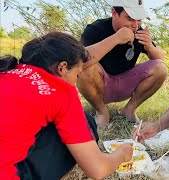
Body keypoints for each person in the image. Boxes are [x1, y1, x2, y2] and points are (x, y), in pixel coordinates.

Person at [0, 32, 133, 180]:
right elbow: (98, 169)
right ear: (62, 67)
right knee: (87, 122)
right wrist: (122, 154)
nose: (77, 80)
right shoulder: (60, 90)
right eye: (77, 74)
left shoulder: (7, 71)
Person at [77, 0, 168, 127]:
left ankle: (129, 110)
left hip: (126, 84)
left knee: (161, 68)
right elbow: (78, 62)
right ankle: (102, 112)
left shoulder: (138, 32)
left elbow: (160, 61)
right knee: (85, 68)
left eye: (139, 20)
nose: (135, 25)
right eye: (130, 18)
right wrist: (116, 39)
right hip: (101, 85)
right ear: (114, 13)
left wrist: (149, 47)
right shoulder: (95, 29)